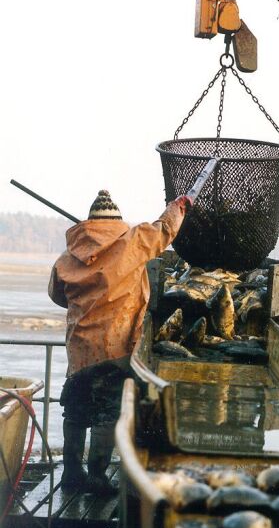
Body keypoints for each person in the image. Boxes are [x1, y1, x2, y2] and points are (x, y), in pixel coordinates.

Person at [49, 189, 186, 496]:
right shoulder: (133, 243)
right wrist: (179, 206)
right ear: (118, 223)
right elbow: (165, 228)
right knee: (107, 413)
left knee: (74, 409)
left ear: (88, 224)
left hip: (80, 350)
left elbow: (57, 295)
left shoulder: (66, 259)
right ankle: (97, 476)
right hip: (116, 349)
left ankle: (72, 473)